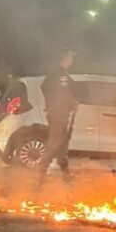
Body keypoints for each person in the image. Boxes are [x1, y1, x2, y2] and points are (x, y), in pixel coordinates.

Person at [36, 48, 79, 179]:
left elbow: (46, 87)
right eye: (70, 57)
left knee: (62, 142)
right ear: (65, 59)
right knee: (55, 141)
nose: (72, 60)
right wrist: (59, 103)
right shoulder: (60, 74)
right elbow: (62, 93)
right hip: (58, 114)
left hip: (59, 112)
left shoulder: (59, 73)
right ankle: (41, 171)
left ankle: (65, 172)